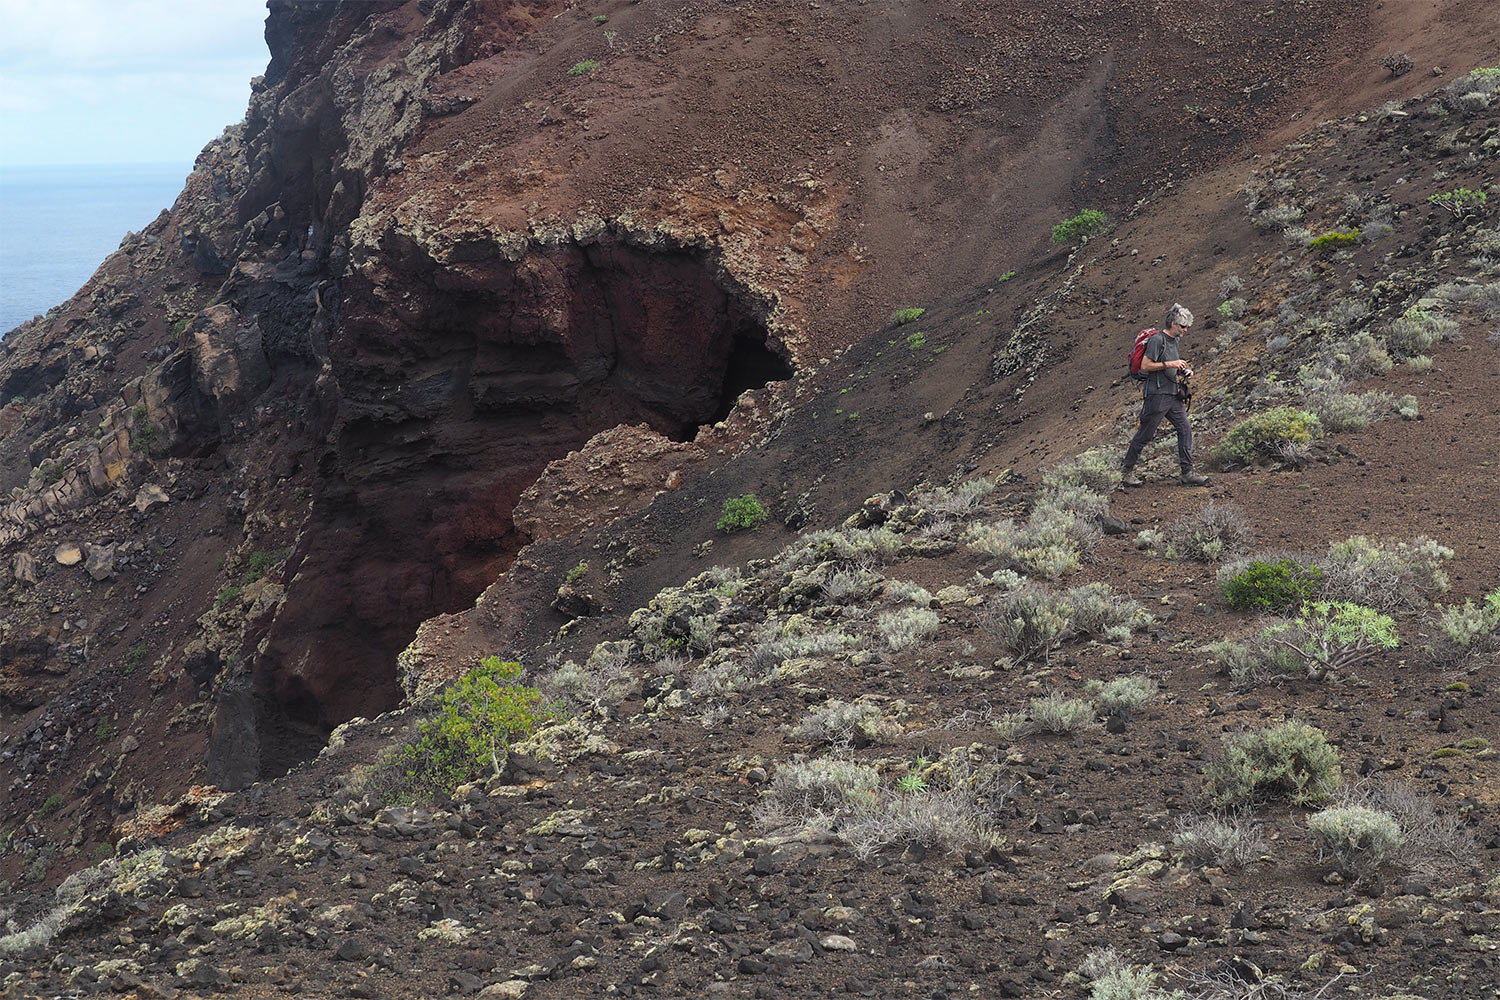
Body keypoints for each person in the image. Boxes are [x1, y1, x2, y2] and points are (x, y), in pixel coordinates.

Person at [1121, 303, 1211, 487]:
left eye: (1187, 327)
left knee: (1185, 429)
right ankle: (1125, 473)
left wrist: (1183, 371)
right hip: (1157, 396)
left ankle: (1187, 473)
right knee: (1145, 435)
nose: (1186, 330)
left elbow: (1170, 365)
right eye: (1183, 326)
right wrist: (1171, 364)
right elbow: (1146, 366)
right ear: (1173, 324)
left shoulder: (1174, 341)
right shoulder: (1157, 340)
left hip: (1172, 394)